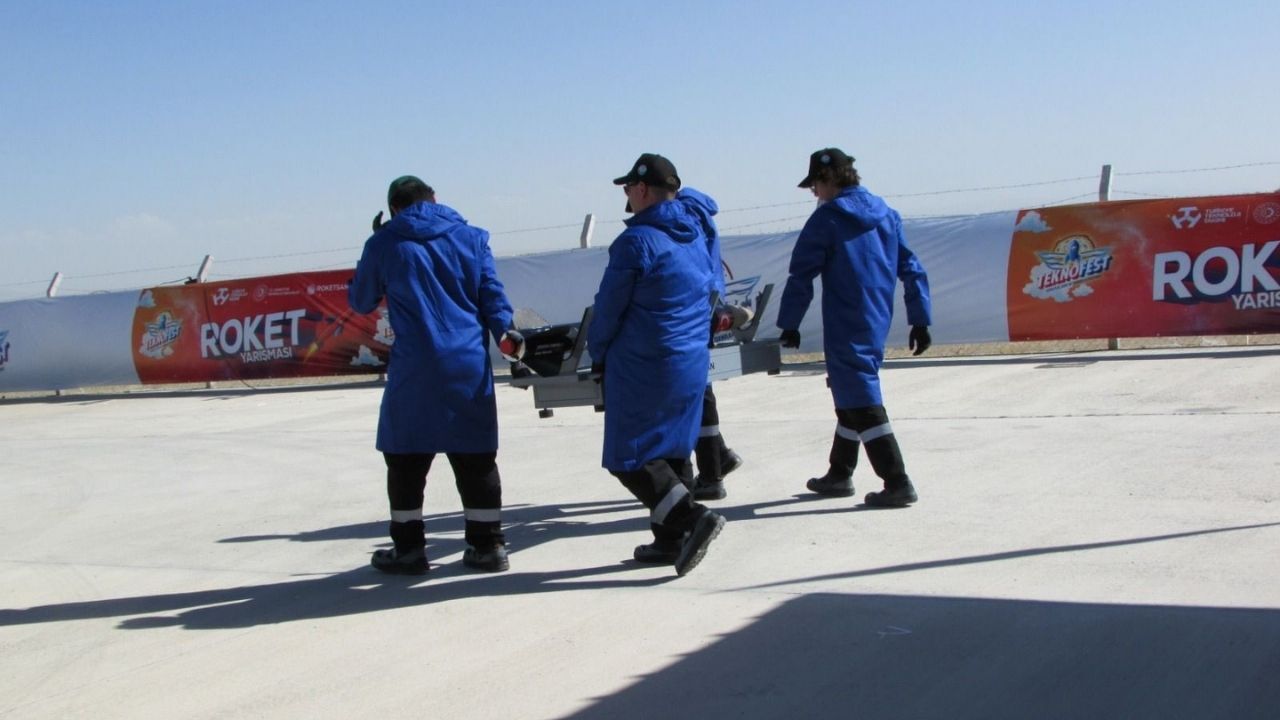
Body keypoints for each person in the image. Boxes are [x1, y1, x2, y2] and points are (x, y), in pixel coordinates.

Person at [349, 175, 522, 574]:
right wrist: (506, 335)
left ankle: (409, 550)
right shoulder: (472, 237)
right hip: (467, 365)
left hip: (416, 369)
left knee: (405, 458)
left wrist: (376, 246)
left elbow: (361, 300)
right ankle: (488, 546)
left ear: (394, 207)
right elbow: (493, 298)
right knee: (476, 458)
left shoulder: (385, 243)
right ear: (435, 198)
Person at [588, 153, 726, 576]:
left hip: (645, 364)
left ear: (643, 189)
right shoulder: (695, 237)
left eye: (628, 189)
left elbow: (608, 310)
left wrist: (597, 354)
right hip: (690, 361)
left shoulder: (636, 242)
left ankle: (692, 519)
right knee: (671, 449)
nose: (628, 197)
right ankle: (670, 540)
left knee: (628, 457)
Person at [776, 148, 933, 507]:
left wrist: (789, 323)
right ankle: (840, 472)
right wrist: (920, 318)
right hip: (877, 318)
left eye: (814, 185)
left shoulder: (827, 219)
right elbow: (912, 268)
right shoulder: (887, 215)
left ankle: (897, 480)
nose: (814, 194)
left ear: (829, 179)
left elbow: (801, 274)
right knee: (848, 390)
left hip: (845, 320)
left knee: (861, 398)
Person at [676, 188, 744, 501]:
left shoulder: (683, 214)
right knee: (699, 389)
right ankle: (718, 458)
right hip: (708, 303)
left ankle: (711, 474)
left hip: (694, 307)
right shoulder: (699, 213)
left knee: (696, 393)